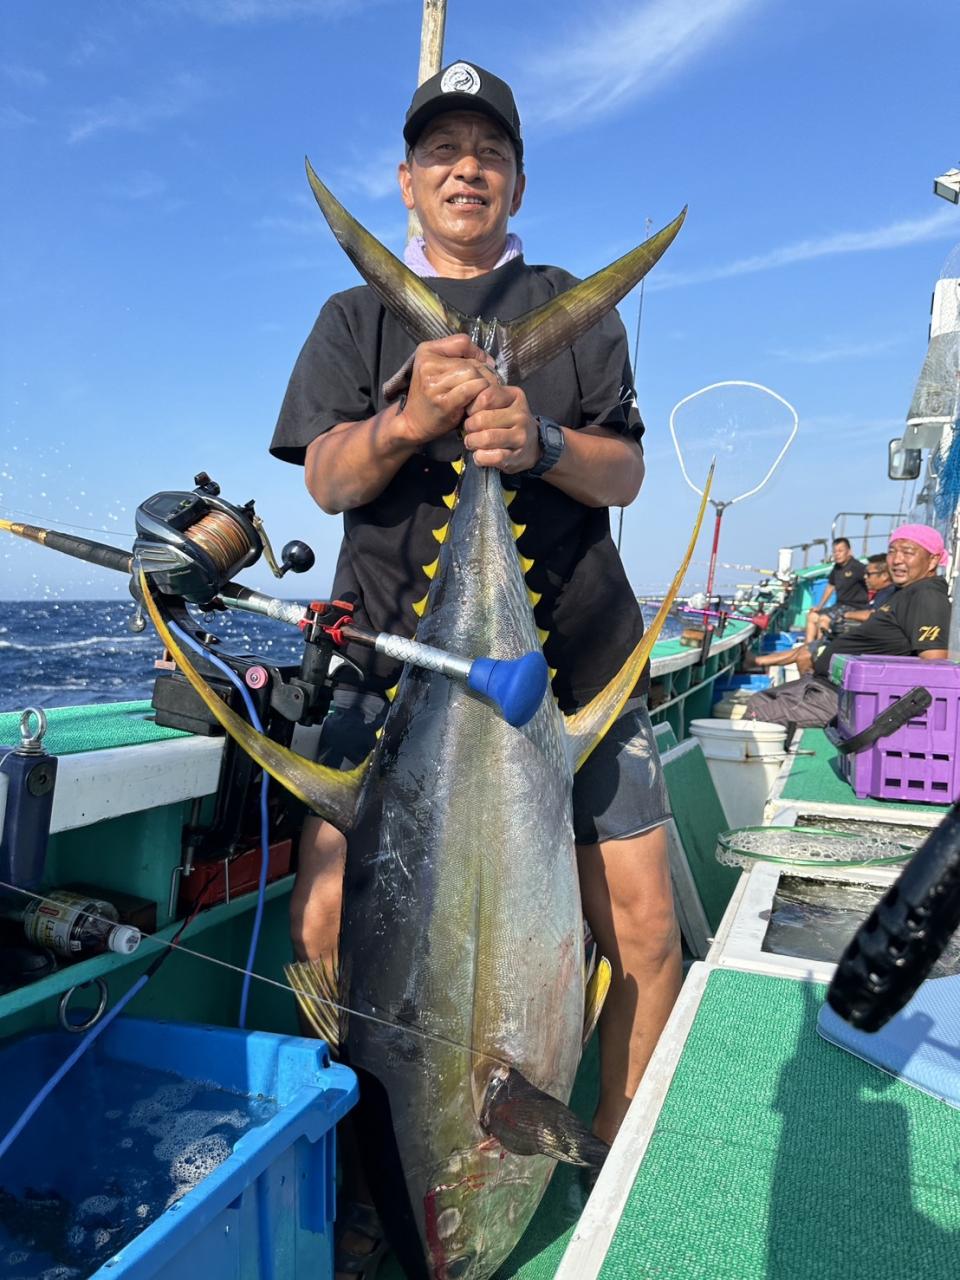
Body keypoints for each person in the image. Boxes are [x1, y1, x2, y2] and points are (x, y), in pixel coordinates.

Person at [270, 61, 677, 1276]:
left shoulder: (575, 311)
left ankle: (615, 1174)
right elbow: (326, 477)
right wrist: (408, 421)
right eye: (442, 152)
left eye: (488, 151)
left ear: (517, 181)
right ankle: (372, 1180)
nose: (466, 169)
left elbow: (624, 469)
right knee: (322, 924)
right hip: (390, 662)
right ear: (408, 182)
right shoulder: (355, 319)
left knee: (647, 930)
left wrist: (539, 440)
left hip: (580, 657)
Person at [744, 525, 951, 728]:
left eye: (908, 552)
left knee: (758, 714)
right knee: (758, 701)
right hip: (825, 683)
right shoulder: (904, 592)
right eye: (892, 551)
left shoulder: (928, 595)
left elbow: (933, 666)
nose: (897, 560)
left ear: (933, 560)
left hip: (844, 698)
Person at [744, 553, 896, 676]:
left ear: (884, 576)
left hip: (863, 648)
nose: (865, 578)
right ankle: (757, 661)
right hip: (855, 642)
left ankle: (811, 693)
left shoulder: (889, 594)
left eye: (869, 574)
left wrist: (845, 616)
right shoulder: (881, 593)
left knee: (804, 655)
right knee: (806, 648)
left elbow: (873, 615)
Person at [804, 536, 869, 644]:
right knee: (812, 616)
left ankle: (820, 648)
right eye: (834, 551)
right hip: (839, 606)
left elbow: (870, 581)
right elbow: (830, 586)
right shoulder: (836, 568)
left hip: (855, 607)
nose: (837, 554)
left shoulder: (858, 567)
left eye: (840, 551)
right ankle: (807, 647)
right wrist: (819, 606)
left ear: (849, 552)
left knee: (823, 619)